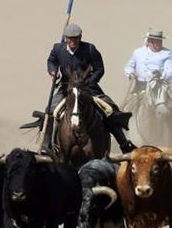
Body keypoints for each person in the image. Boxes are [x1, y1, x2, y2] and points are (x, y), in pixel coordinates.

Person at [23, 23, 136, 155]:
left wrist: (88, 83)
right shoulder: (58, 49)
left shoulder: (89, 49)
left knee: (109, 109)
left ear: (80, 37)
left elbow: (99, 69)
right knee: (50, 111)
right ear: (65, 38)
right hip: (66, 89)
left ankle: (123, 143)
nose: (73, 41)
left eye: (76, 38)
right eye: (70, 38)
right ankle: (46, 144)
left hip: (89, 88)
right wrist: (53, 71)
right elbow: (51, 61)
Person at [124, 29, 172, 140]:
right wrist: (130, 73)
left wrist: (161, 77)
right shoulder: (138, 52)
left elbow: (170, 71)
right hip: (140, 87)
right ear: (149, 41)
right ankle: (123, 136)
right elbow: (129, 66)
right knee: (125, 107)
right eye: (155, 41)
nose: (158, 44)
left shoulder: (168, 54)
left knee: (171, 107)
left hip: (159, 87)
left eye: (159, 41)